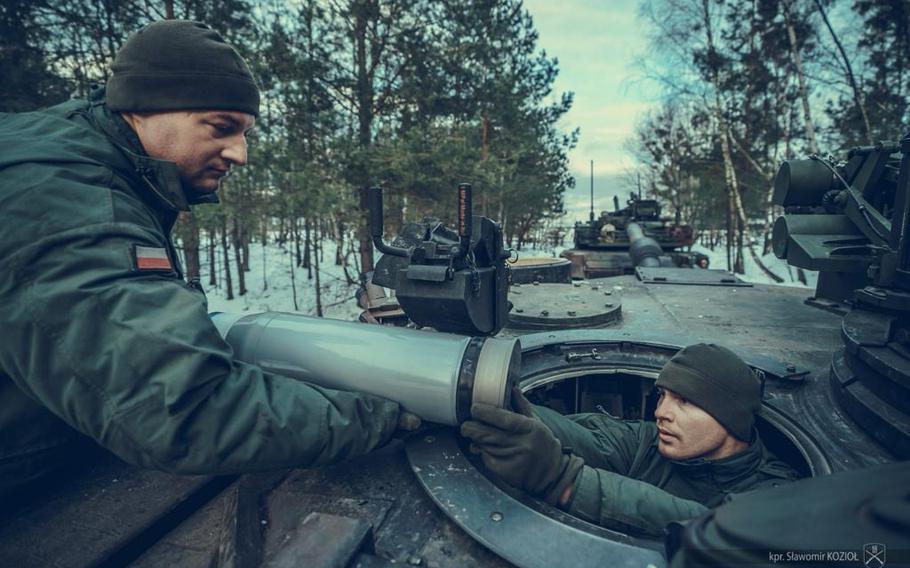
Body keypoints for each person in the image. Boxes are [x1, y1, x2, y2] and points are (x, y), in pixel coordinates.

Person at [0, 20, 418, 496]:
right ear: (143, 107)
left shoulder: (83, 153)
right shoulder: (63, 200)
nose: (240, 154)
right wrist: (388, 416)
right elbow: (185, 410)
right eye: (222, 128)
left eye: (244, 132)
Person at [461, 343, 799, 536]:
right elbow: (582, 438)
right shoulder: (649, 443)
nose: (662, 412)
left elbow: (718, 530)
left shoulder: (779, 491)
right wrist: (486, 403)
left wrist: (565, 481)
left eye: (685, 401)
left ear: (729, 415)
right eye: (663, 396)